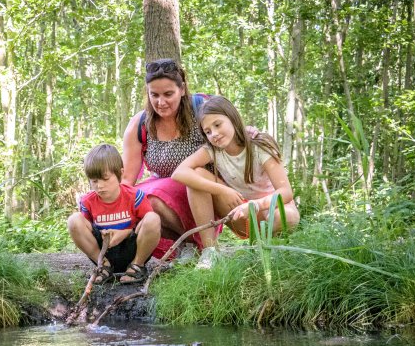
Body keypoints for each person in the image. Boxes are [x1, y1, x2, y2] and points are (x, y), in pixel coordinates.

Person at [172, 95, 298, 268]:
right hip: (241, 212)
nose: (214, 134)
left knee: (288, 216)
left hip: (268, 211)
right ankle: (210, 253)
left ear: (232, 118)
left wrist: (255, 205)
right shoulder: (213, 150)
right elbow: (179, 172)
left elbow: (286, 192)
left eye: (217, 125)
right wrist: (223, 190)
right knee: (196, 176)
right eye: (208, 131)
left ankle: (265, 247)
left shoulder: (259, 145)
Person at [122, 59, 212, 256]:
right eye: (154, 95)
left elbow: (232, 137)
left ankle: (206, 247)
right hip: (165, 194)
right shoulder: (140, 123)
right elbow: (127, 180)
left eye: (168, 94)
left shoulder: (203, 109)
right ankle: (184, 248)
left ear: (182, 89)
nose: (161, 102)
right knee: (133, 201)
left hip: (203, 192)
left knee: (151, 198)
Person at [67, 143, 161, 285]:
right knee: (74, 220)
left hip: (132, 248)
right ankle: (103, 267)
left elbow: (149, 226)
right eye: (94, 181)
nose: (100, 186)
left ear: (120, 174)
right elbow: (84, 230)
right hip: (104, 252)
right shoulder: (87, 202)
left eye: (105, 179)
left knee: (153, 218)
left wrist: (126, 232)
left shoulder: (135, 196)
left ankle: (137, 266)